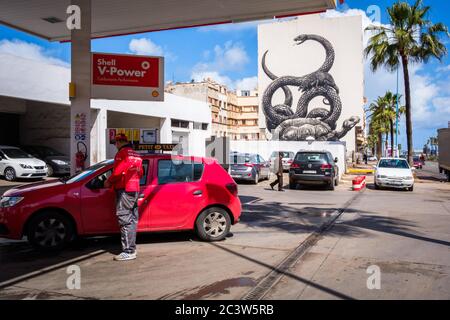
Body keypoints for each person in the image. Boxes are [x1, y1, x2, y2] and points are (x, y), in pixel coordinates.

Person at [104, 133, 143, 261]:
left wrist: (109, 181)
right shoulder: (136, 154)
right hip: (135, 188)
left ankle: (128, 251)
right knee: (132, 219)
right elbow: (141, 173)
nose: (115, 145)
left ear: (120, 142)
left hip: (125, 189)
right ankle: (132, 248)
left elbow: (118, 171)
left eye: (115, 143)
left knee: (125, 218)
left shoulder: (122, 153)